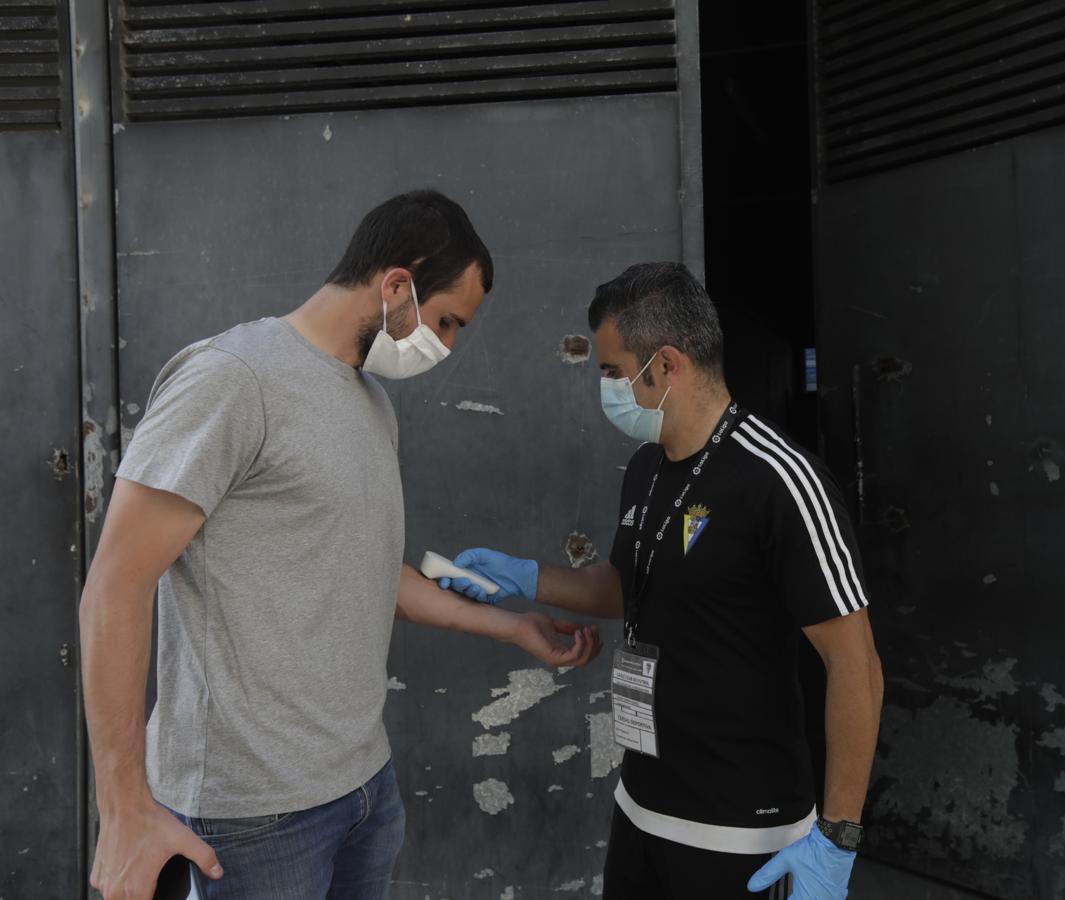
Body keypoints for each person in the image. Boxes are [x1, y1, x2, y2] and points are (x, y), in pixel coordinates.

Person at [79, 189, 602, 900]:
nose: (447, 347)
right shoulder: (233, 379)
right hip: (251, 816)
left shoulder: (370, 405)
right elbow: (116, 583)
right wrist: (122, 808)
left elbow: (372, 573)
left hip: (362, 791)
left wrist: (514, 627)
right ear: (396, 284)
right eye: (446, 321)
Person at [440, 262, 884, 899]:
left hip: (742, 832)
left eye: (614, 371)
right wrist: (526, 578)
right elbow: (630, 585)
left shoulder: (779, 482)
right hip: (643, 803)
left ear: (668, 365)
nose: (607, 386)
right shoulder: (648, 467)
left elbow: (857, 666)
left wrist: (838, 839)